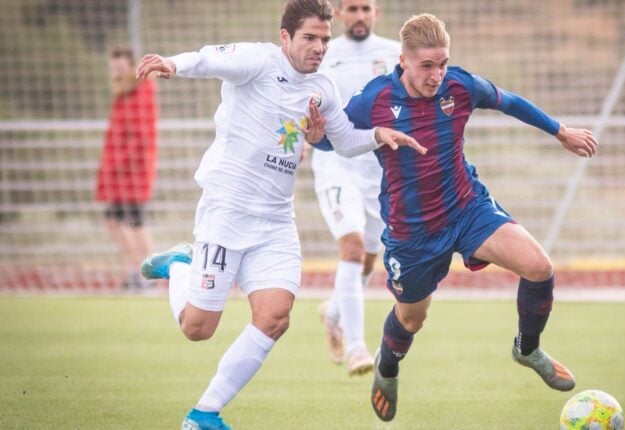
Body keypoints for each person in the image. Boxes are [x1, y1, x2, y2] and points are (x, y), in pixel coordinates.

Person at [134, 1, 424, 428]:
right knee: (198, 328)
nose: (319, 47)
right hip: (227, 209)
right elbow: (208, 58)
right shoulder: (258, 60)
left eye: (324, 39)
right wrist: (173, 65)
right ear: (285, 36)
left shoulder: (323, 87)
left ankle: (204, 414)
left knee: (274, 317)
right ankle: (181, 264)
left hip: (274, 219)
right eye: (309, 38)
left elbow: (343, 141)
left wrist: (378, 135)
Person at [325, 14, 598, 422]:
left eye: (443, 63)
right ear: (403, 61)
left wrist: (559, 131)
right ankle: (387, 367)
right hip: (412, 233)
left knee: (539, 268)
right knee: (411, 319)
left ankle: (527, 348)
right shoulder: (375, 99)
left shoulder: (460, 85)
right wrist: (312, 134)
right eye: (427, 66)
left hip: (467, 208)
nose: (437, 75)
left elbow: (510, 102)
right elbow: (335, 138)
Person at [311, 0, 400, 376]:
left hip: (379, 167)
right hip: (335, 164)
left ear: (376, 12)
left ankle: (332, 312)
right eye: (352, 8)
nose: (359, 15)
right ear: (340, 14)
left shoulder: (395, 54)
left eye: (366, 8)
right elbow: (305, 101)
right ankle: (358, 349)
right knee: (351, 248)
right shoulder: (324, 54)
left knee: (368, 257)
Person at [95, 47, 158, 290]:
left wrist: (119, 162)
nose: (117, 73)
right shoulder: (122, 94)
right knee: (114, 220)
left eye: (122, 68)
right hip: (118, 172)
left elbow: (141, 136)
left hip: (133, 172)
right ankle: (136, 269)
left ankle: (147, 275)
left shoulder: (143, 90)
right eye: (114, 69)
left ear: (132, 67)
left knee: (134, 222)